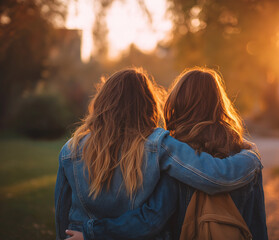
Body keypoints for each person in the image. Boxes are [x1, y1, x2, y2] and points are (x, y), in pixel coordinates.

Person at [55, 67, 261, 240]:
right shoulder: (158, 146)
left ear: (101, 103)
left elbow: (61, 215)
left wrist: (88, 232)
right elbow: (215, 176)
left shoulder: (70, 151)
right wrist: (251, 157)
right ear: (148, 106)